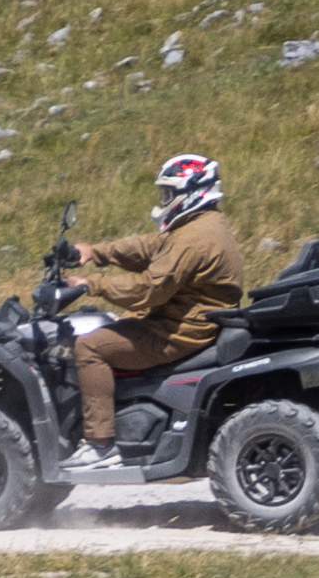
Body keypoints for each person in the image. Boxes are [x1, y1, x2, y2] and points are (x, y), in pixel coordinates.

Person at [58, 149, 249, 453]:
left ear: (190, 193)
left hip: (180, 331)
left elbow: (149, 289)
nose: (164, 200)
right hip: (194, 321)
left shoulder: (192, 238)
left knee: (89, 346)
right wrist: (96, 252)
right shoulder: (205, 223)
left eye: (168, 193)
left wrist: (91, 285)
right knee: (121, 321)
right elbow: (151, 247)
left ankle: (99, 445)